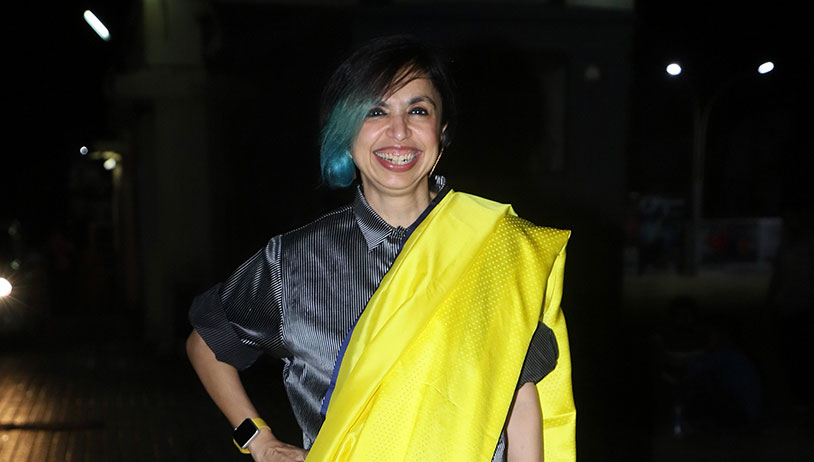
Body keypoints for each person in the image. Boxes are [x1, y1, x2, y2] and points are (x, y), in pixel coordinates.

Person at [186, 35, 575, 462]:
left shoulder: (496, 247)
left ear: (442, 133)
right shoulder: (293, 263)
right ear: (346, 132)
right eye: (375, 111)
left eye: (418, 110)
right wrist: (258, 439)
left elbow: (520, 403)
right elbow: (207, 344)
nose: (399, 131)